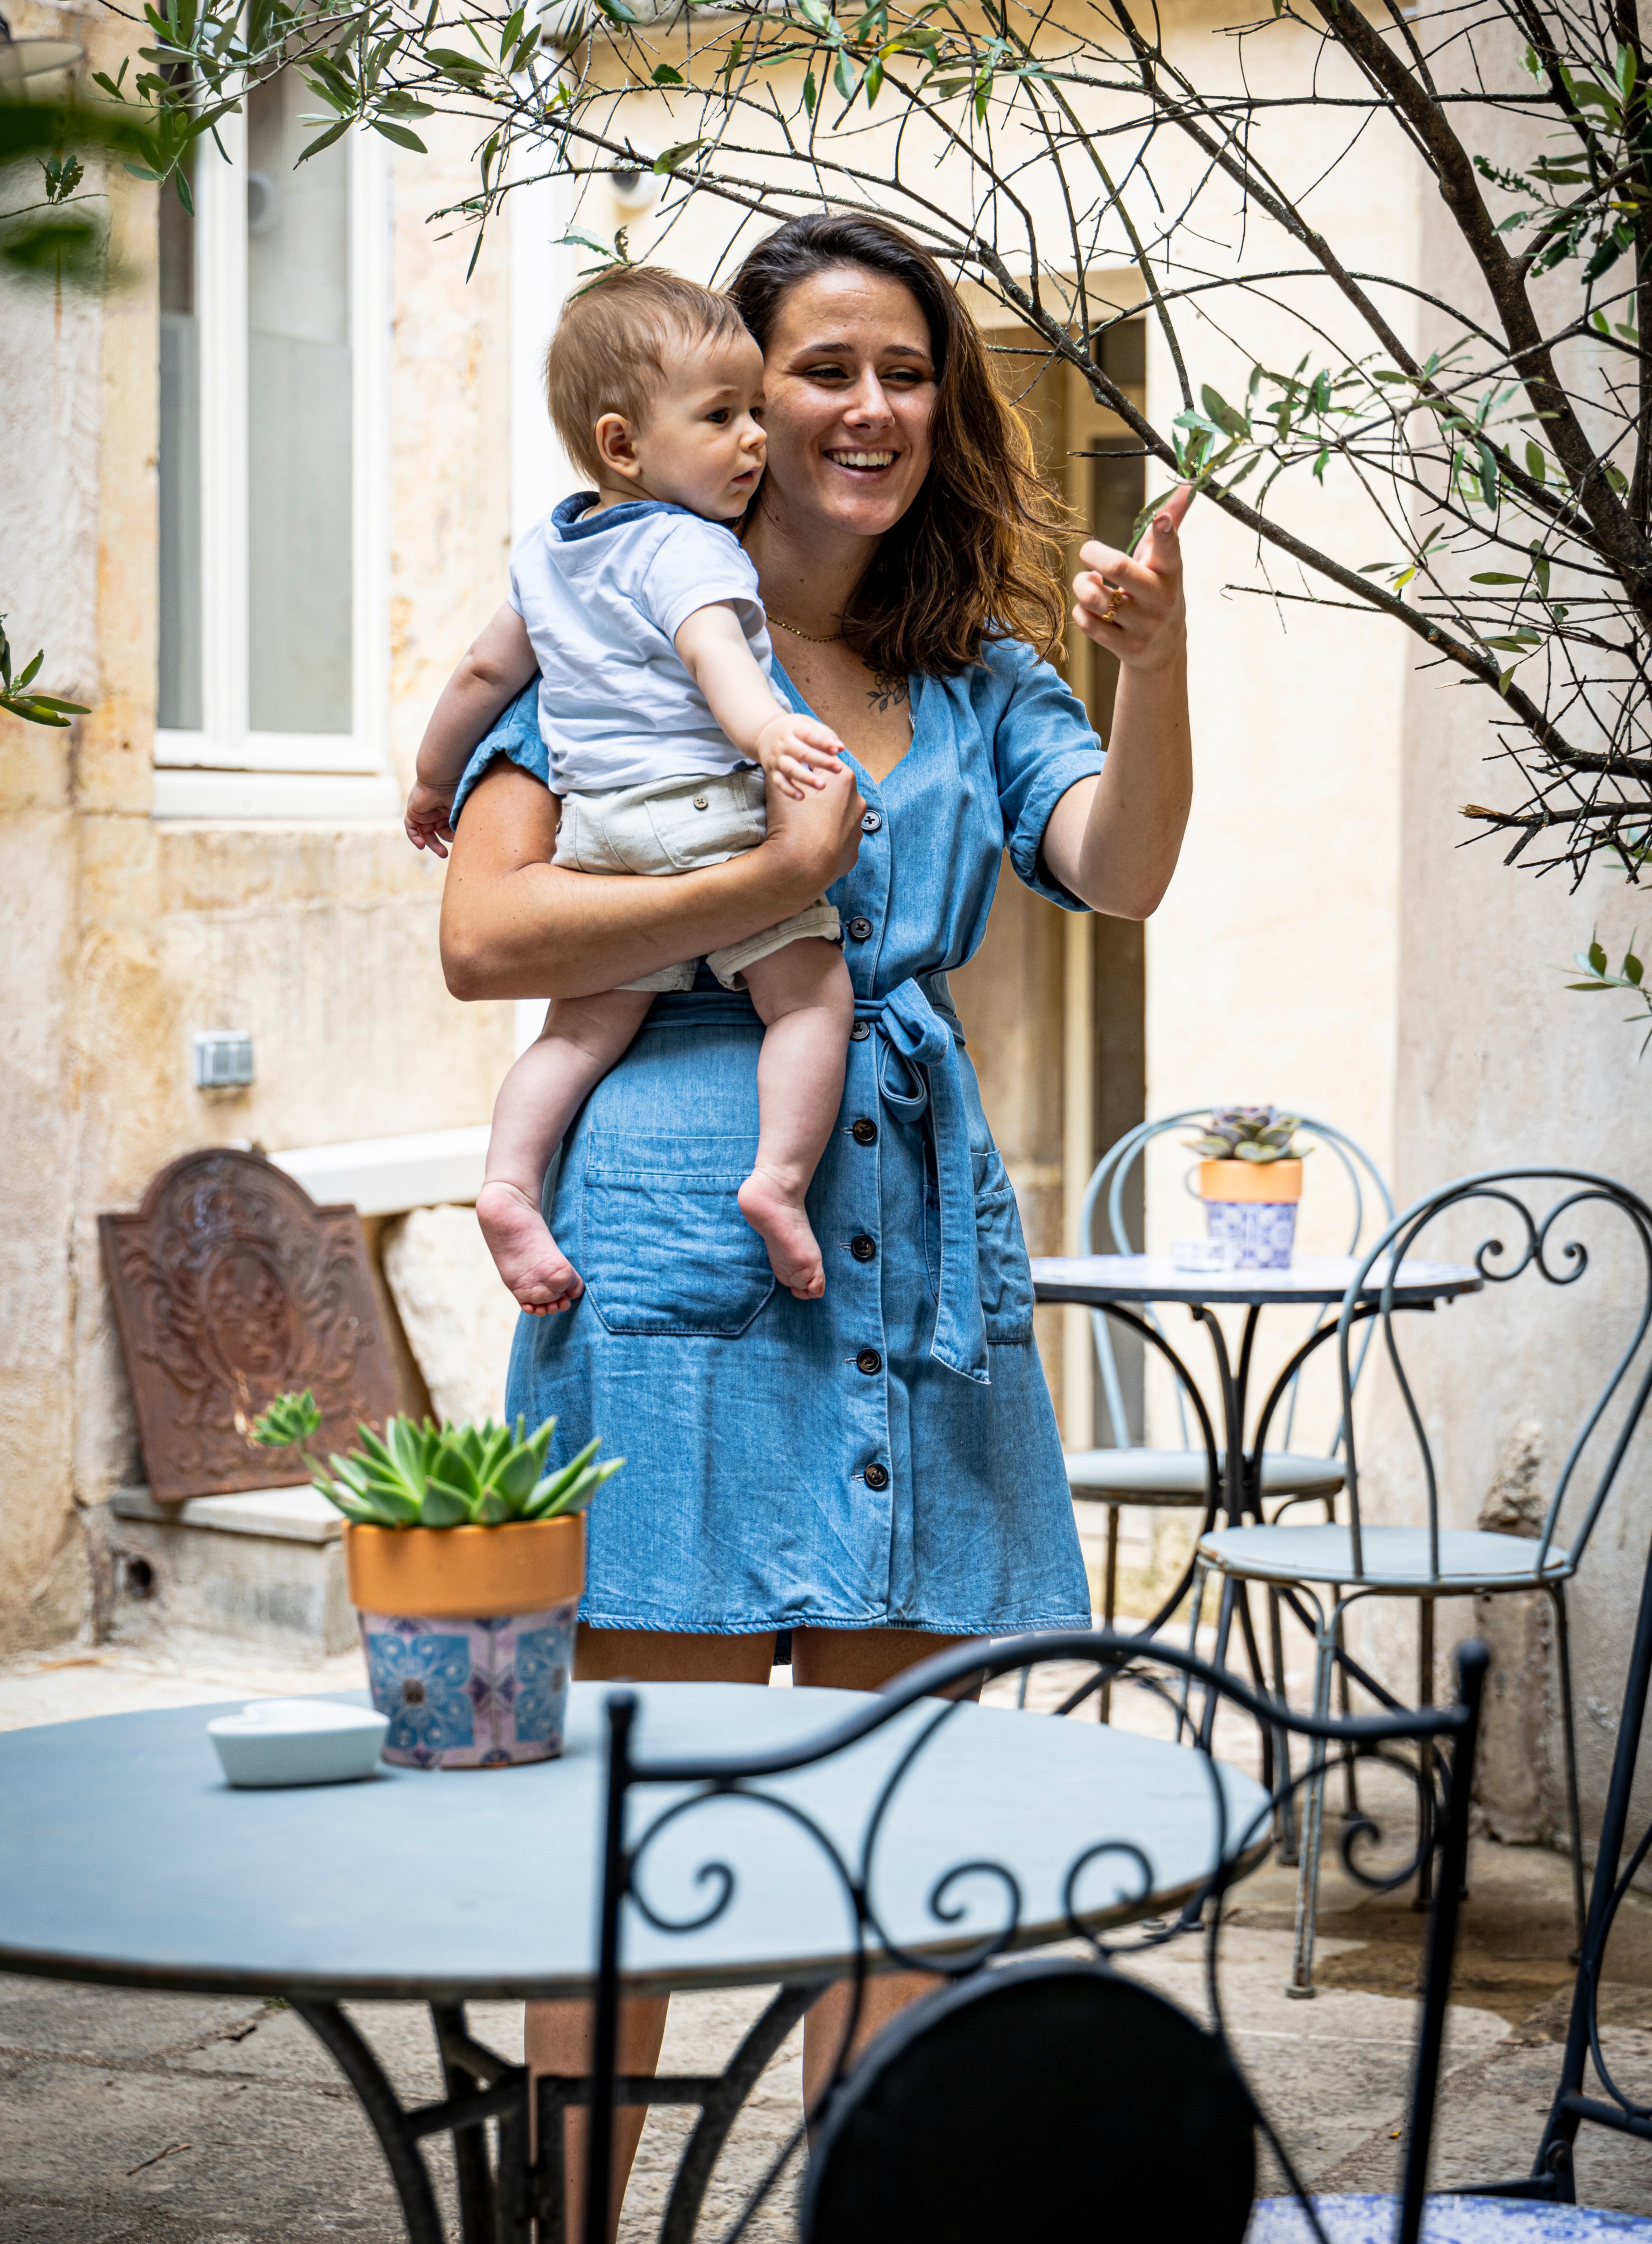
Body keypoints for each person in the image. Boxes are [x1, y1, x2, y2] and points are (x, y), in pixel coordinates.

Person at [437, 212, 1194, 2232]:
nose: (873, 409)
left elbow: (1118, 869)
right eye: (824, 370)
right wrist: (771, 891)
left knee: (901, 1829)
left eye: (909, 372)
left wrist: (1152, 669)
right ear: (736, 406)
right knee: (633, 1833)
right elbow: (486, 932)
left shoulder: (976, 673)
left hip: (910, 1248)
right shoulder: (612, 619)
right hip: (665, 1237)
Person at [405, 268, 855, 1311]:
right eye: (721, 417)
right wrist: (768, 731)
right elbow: (713, 654)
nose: (754, 439)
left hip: (598, 836)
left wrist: (432, 781)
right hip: (704, 812)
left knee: (576, 1033)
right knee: (809, 996)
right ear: (621, 444)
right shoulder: (688, 544)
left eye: (754, 412)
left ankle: (508, 1185)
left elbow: (482, 674)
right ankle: (779, 1180)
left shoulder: (548, 552)